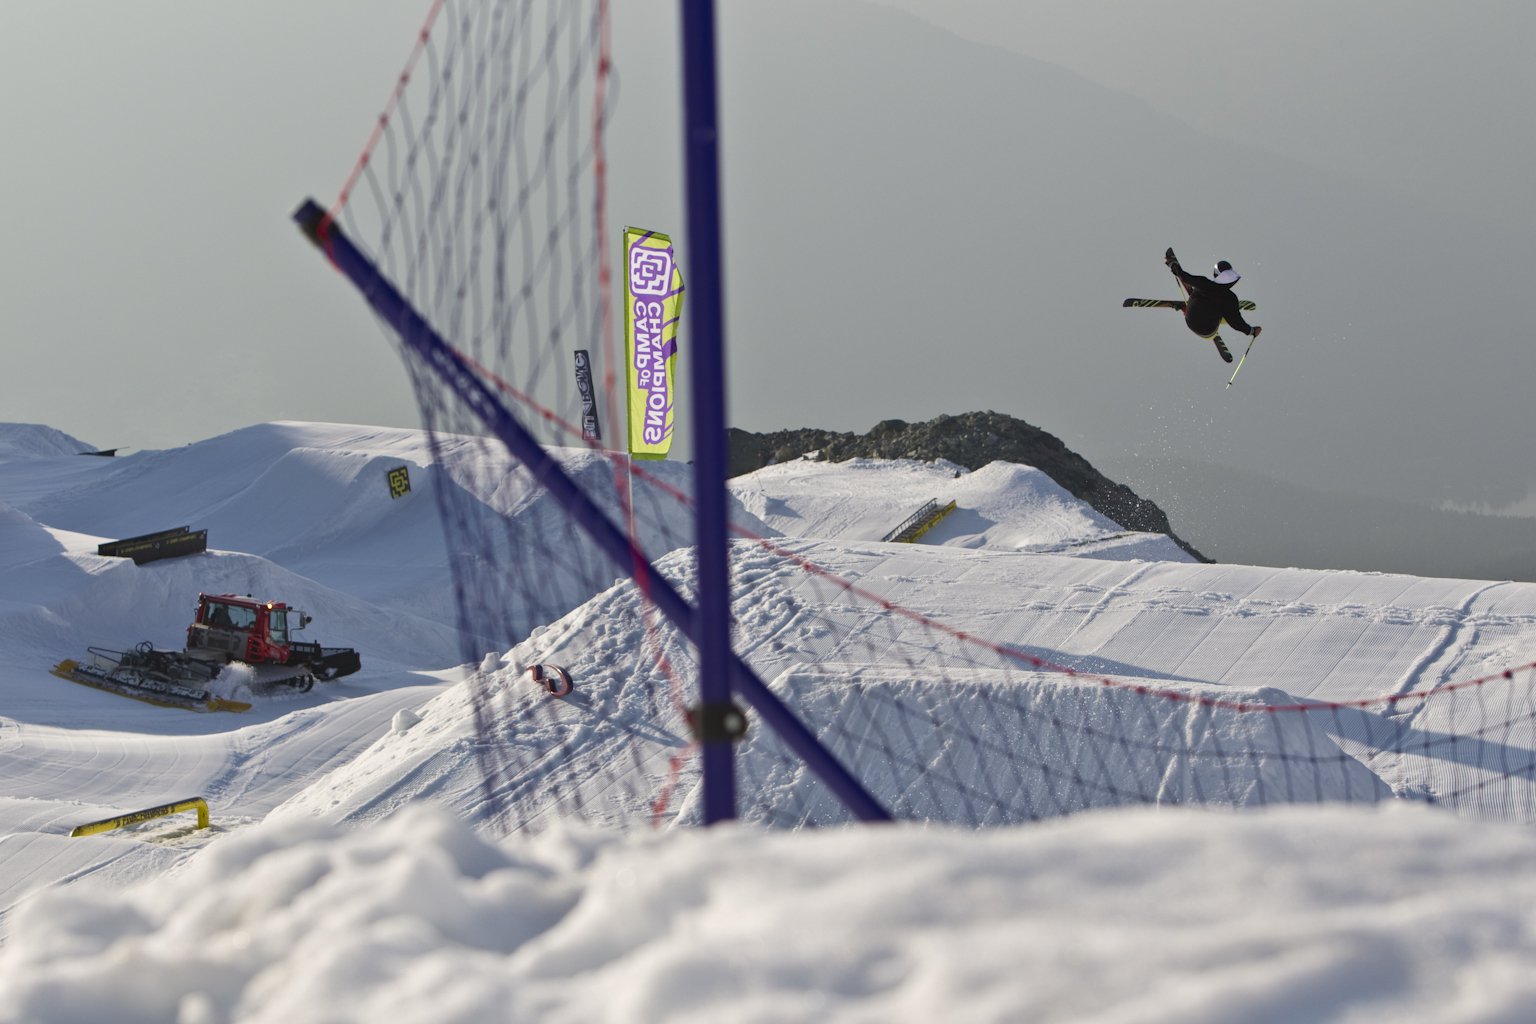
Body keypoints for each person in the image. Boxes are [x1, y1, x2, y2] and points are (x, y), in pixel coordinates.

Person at [1164, 248, 1260, 363]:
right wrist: (1251, 331)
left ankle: (1187, 307)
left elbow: (1184, 277)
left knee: (1211, 302)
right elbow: (1236, 324)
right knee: (1226, 315)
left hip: (1190, 319)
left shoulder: (1203, 282)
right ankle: (1228, 312)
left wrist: (1173, 265)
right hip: (1206, 331)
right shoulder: (1230, 299)